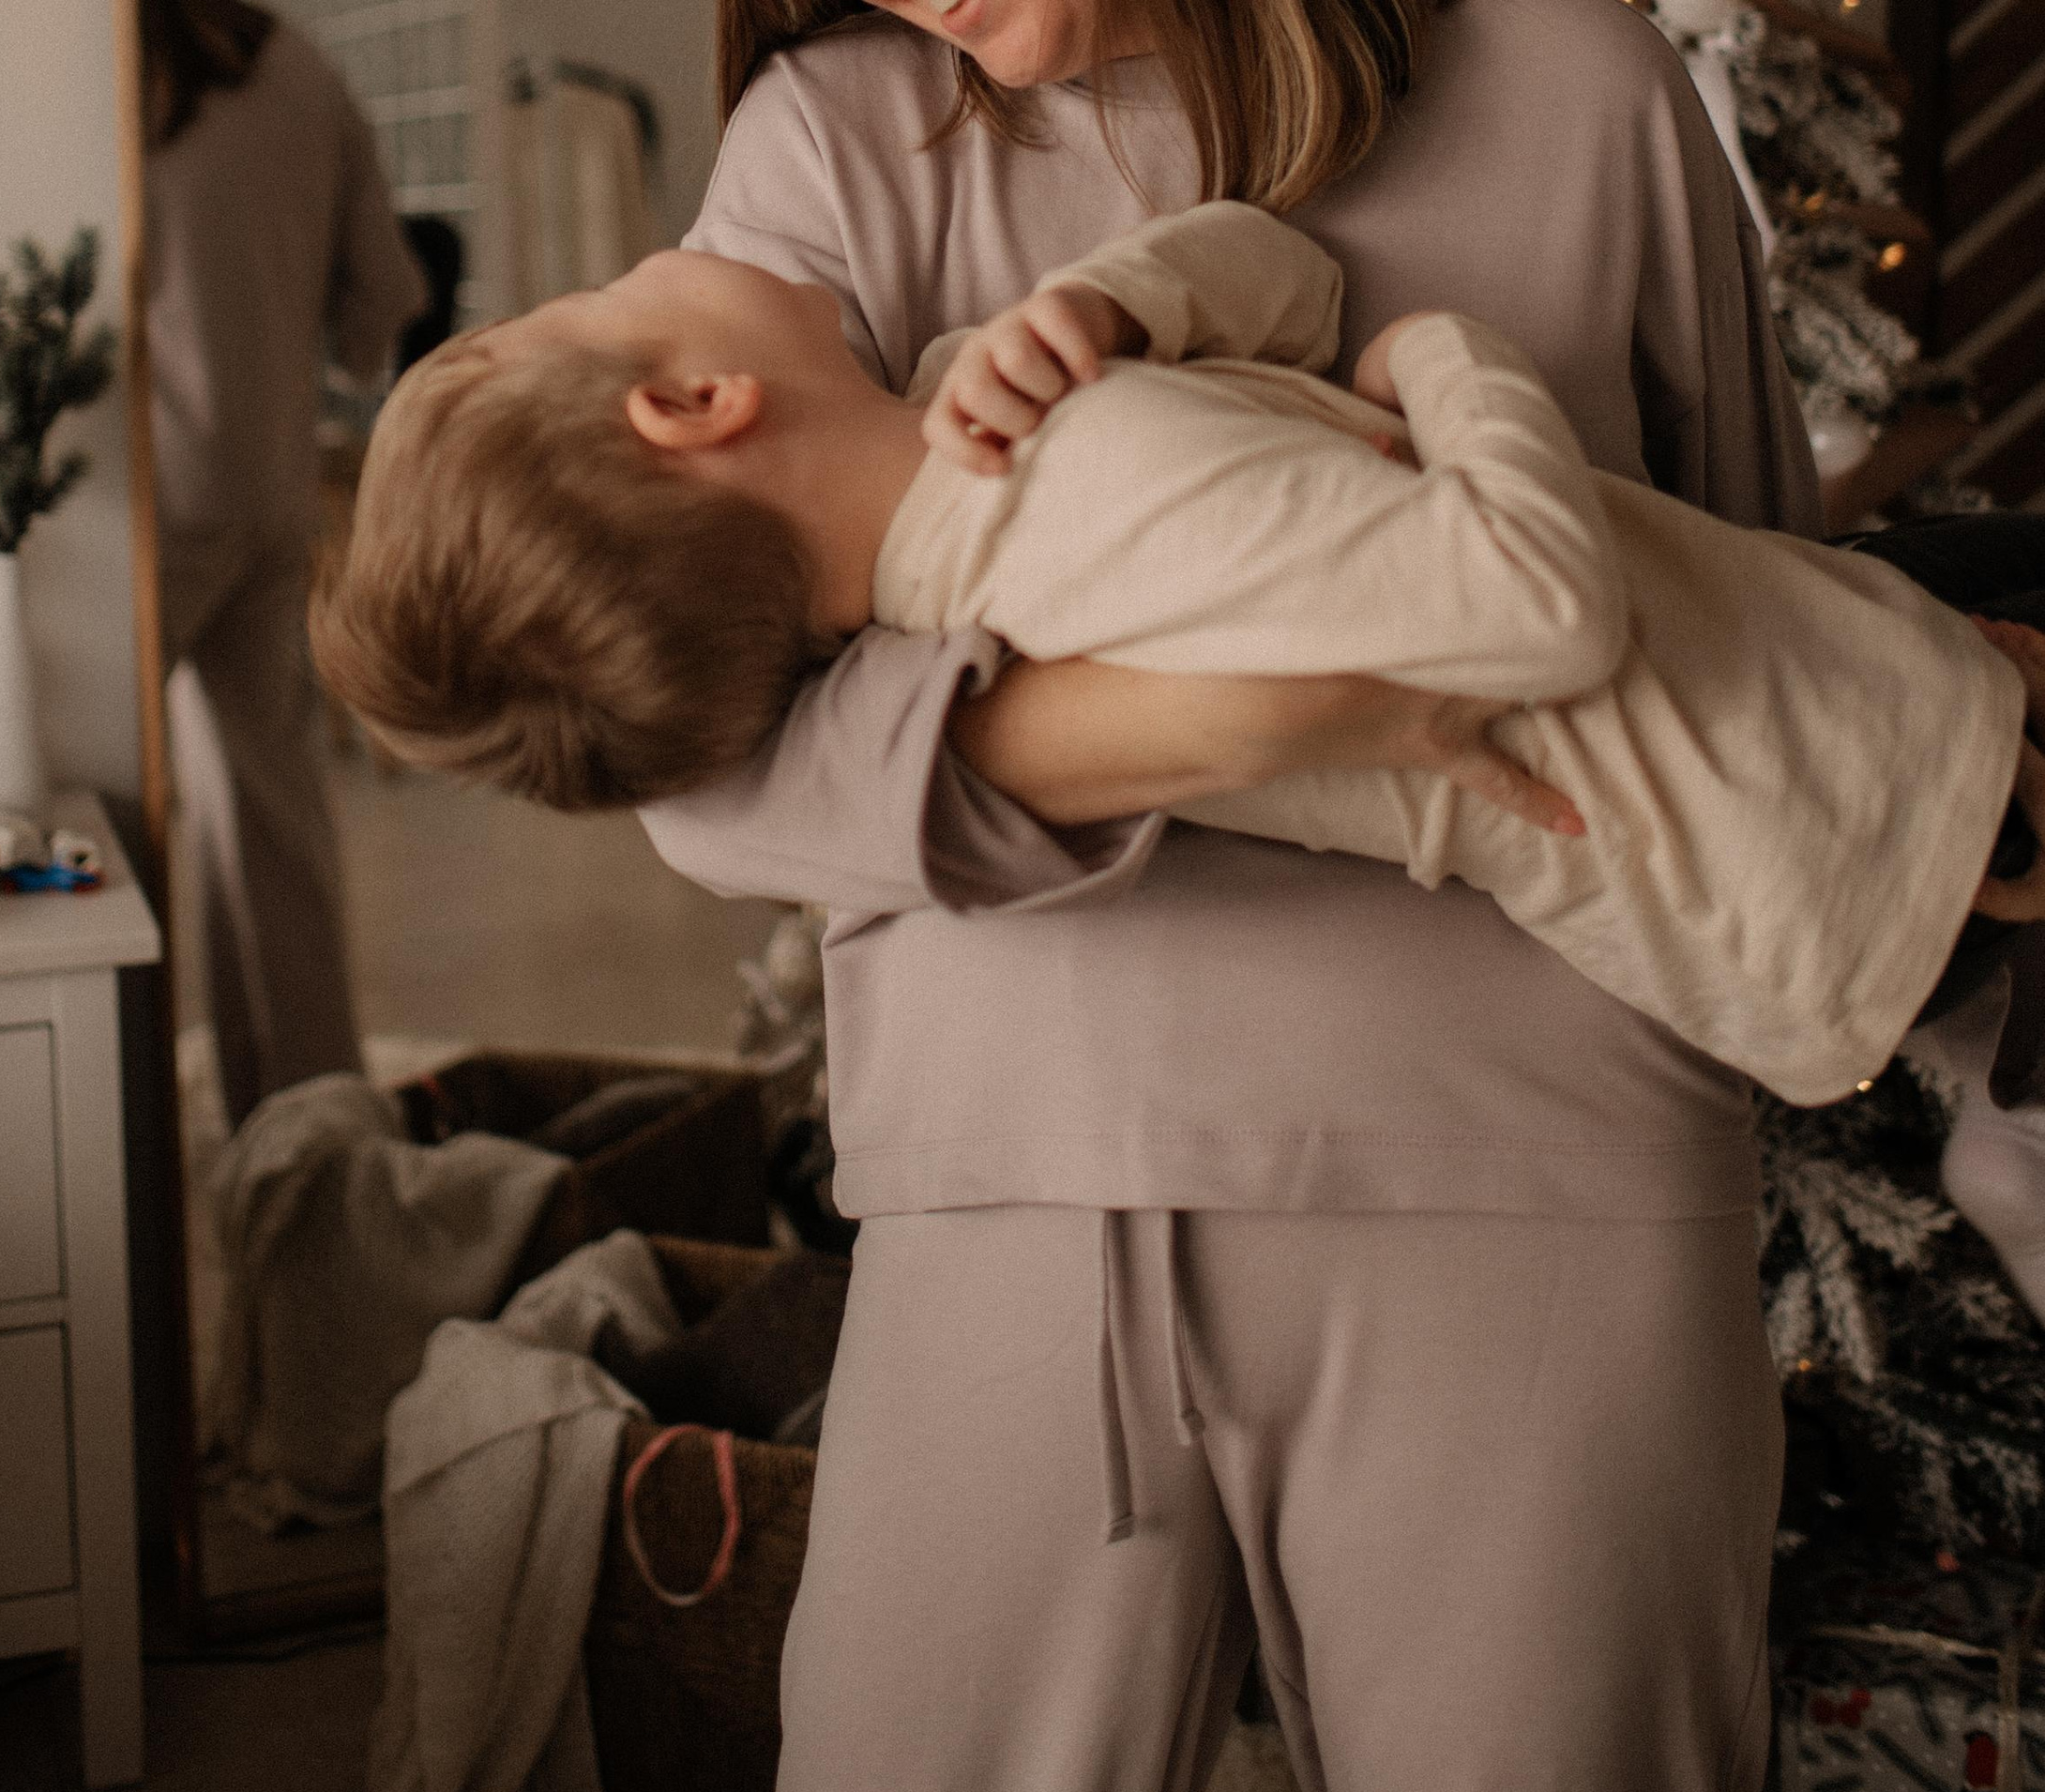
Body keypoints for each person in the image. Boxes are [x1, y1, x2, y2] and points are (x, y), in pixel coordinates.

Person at [562, 0, 1808, 1792]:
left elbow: (1752, 604)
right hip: (1022, 1199)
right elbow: (686, 757)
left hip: (1537, 1180)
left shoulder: (1576, 89)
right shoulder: (829, 149)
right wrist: (1223, 730)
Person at [314, 199, 2045, 1114]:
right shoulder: (1084, 500)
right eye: (582, 297)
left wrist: (1119, 300)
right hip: (1879, 797)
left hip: (1852, 745)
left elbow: (1281, 287)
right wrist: (1449, 353)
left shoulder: (989, 451)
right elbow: (1537, 605)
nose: (652, 254)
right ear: (692, 403)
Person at [135, 0, 422, 1131]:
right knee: (273, 821)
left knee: (82, 825)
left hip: (148, 516)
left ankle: (119, 1123)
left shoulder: (117, 99)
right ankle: (309, 1129)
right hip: (271, 487)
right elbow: (385, 295)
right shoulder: (295, 69)